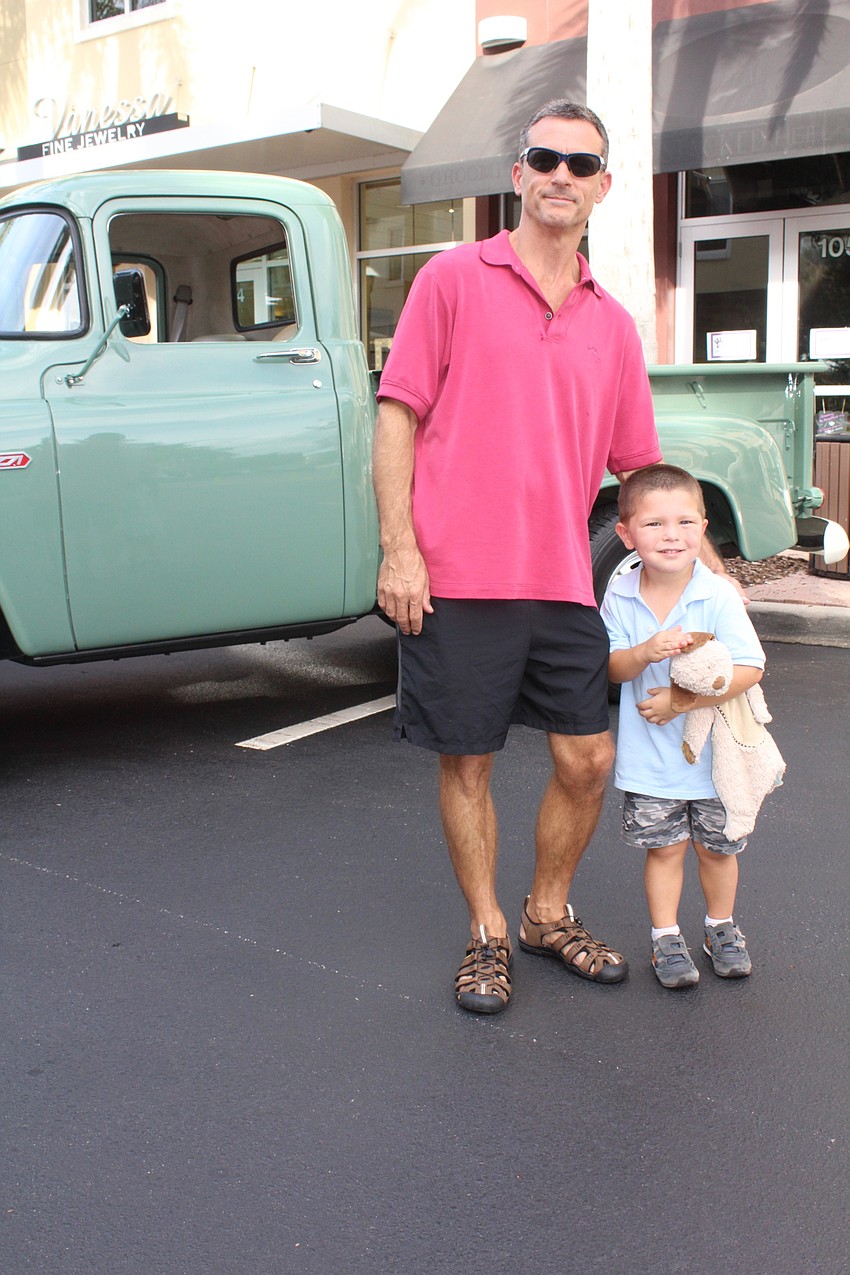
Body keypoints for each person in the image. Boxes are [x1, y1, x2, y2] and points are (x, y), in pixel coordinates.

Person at [372, 99, 664, 1015]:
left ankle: (546, 912)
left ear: (602, 188)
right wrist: (400, 550)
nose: (562, 176)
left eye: (581, 165)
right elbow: (397, 413)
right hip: (455, 577)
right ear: (519, 173)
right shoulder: (454, 278)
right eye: (546, 158)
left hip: (562, 581)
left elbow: (638, 467)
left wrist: (697, 565)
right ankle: (488, 930)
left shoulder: (612, 323)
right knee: (469, 761)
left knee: (587, 758)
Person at [601, 464, 766, 988]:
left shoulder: (715, 594)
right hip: (651, 759)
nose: (671, 536)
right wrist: (644, 652)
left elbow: (750, 667)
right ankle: (665, 937)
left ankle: (721, 927)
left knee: (717, 850)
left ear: (702, 527)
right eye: (653, 525)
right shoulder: (621, 595)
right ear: (625, 534)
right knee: (665, 849)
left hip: (715, 760)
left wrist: (681, 698)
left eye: (684, 522)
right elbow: (610, 668)